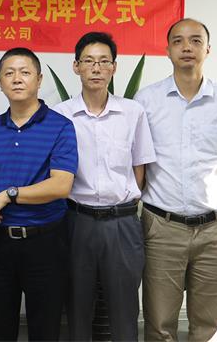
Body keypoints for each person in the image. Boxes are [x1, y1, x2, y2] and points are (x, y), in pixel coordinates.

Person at [135, 18, 217, 342]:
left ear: (208, 49)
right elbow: (140, 161)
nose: (187, 47)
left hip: (215, 230)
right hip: (162, 228)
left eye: (196, 40)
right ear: (167, 50)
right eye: (178, 41)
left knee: (209, 328)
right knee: (159, 326)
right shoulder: (146, 101)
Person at [53, 32, 155, 341]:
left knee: (124, 311)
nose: (96, 68)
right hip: (77, 221)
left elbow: (139, 168)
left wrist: (120, 203)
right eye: (88, 61)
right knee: (77, 307)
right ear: (76, 67)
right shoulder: (60, 115)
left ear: (114, 67)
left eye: (103, 61)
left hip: (122, 223)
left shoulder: (132, 112)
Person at [0, 47, 77, 341]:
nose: (17, 79)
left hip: (46, 242)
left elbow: (61, 185)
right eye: (9, 73)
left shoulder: (61, 126)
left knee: (45, 329)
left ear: (39, 79)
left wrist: (9, 194)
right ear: (0, 82)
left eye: (25, 72)